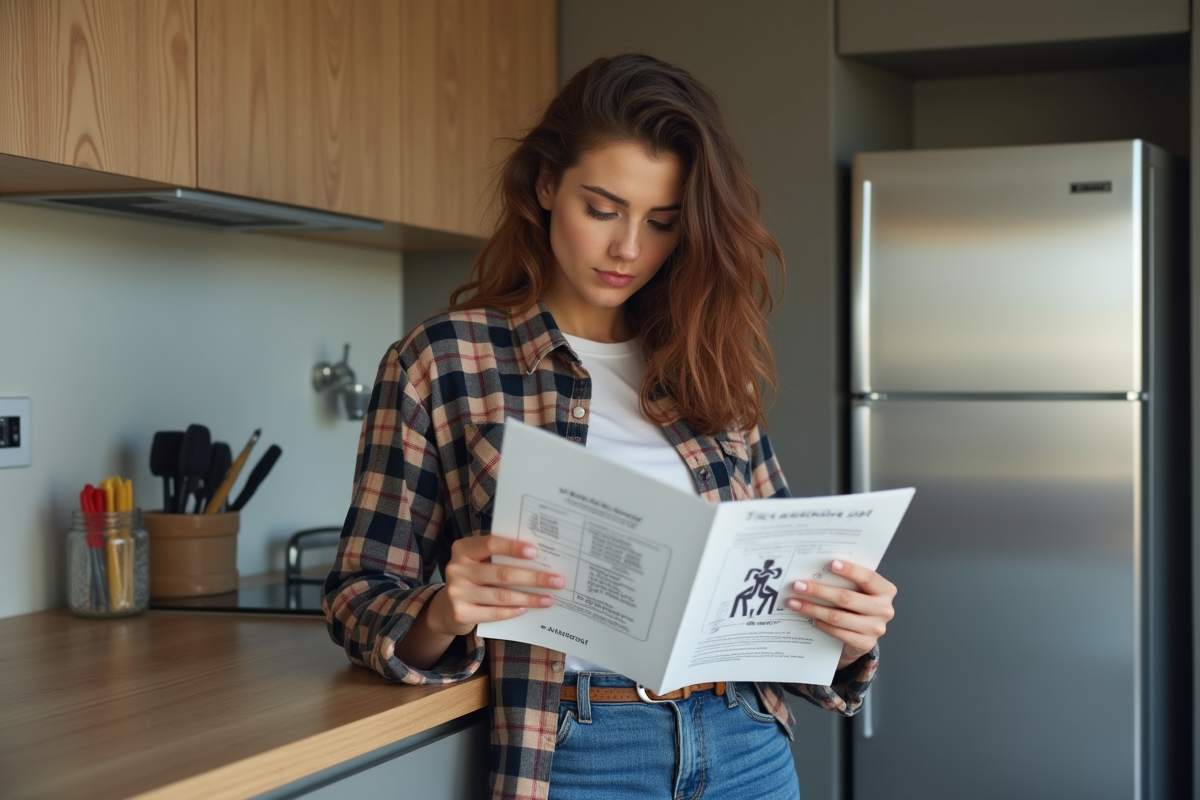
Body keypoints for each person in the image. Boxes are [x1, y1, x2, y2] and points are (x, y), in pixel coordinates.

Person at [323, 53, 897, 800]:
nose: (629, 248)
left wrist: (846, 633)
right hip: (579, 753)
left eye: (661, 223)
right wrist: (442, 611)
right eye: (602, 210)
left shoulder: (707, 365)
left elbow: (779, 590)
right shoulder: (443, 361)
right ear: (545, 186)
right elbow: (357, 596)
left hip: (744, 743)